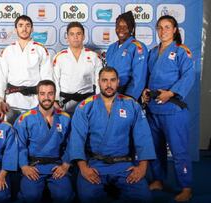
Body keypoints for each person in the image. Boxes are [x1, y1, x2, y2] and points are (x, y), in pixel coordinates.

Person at [68, 67, 156, 202]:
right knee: (87, 197)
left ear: (118, 82)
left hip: (124, 165)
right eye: (104, 80)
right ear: (98, 82)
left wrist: (142, 168)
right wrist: (83, 168)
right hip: (95, 164)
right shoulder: (85, 107)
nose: (109, 85)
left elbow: (143, 137)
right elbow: (77, 140)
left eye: (112, 80)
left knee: (144, 197)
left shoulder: (132, 105)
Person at [142, 15, 195, 202]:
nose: (163, 31)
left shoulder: (181, 51)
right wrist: (145, 91)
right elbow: (147, 77)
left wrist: (171, 94)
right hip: (154, 109)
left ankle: (186, 187)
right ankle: (158, 179)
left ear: (174, 30)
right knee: (156, 149)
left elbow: (188, 77)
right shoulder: (153, 52)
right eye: (160, 27)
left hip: (173, 110)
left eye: (167, 27)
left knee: (179, 151)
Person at [14, 80, 74, 203]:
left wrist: (66, 164)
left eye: (50, 93)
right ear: (37, 95)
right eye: (42, 93)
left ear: (55, 95)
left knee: (64, 196)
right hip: (33, 166)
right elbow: (19, 145)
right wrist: (24, 166)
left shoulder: (65, 118)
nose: (46, 97)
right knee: (30, 196)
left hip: (56, 166)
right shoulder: (25, 118)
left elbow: (71, 144)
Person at [0, 15, 53, 123]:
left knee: (34, 135)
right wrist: (0, 100)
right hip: (12, 102)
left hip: (34, 102)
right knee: (12, 135)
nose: (24, 29)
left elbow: (47, 78)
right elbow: (1, 77)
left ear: (32, 29)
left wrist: (46, 100)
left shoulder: (41, 49)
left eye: (27, 25)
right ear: (16, 29)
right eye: (21, 25)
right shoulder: (7, 51)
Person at [53, 22, 103, 114]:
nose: (75, 37)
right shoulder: (59, 57)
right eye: (72, 34)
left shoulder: (94, 57)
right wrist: (55, 100)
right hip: (64, 104)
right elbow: (54, 81)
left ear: (83, 36)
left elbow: (99, 81)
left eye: (78, 34)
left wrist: (98, 100)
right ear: (67, 37)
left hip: (87, 102)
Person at [105, 11, 148, 100]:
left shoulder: (138, 47)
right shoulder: (111, 47)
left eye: (125, 27)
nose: (121, 30)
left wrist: (129, 98)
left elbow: (139, 78)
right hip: (109, 95)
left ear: (131, 29)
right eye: (118, 26)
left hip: (127, 94)